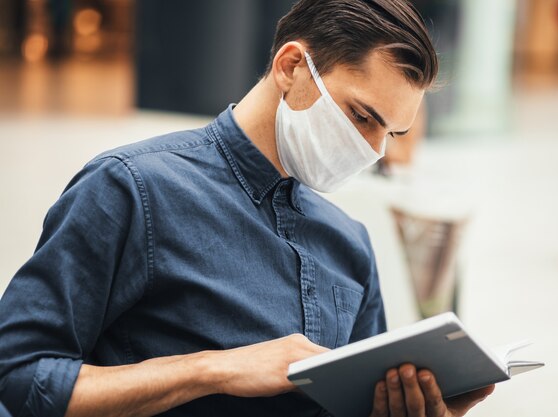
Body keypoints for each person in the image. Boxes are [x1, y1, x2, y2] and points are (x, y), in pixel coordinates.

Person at [0, 1, 494, 416]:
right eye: (362, 117)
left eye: (390, 132)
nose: (374, 150)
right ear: (291, 66)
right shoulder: (133, 189)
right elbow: (18, 376)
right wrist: (214, 369)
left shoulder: (349, 244)